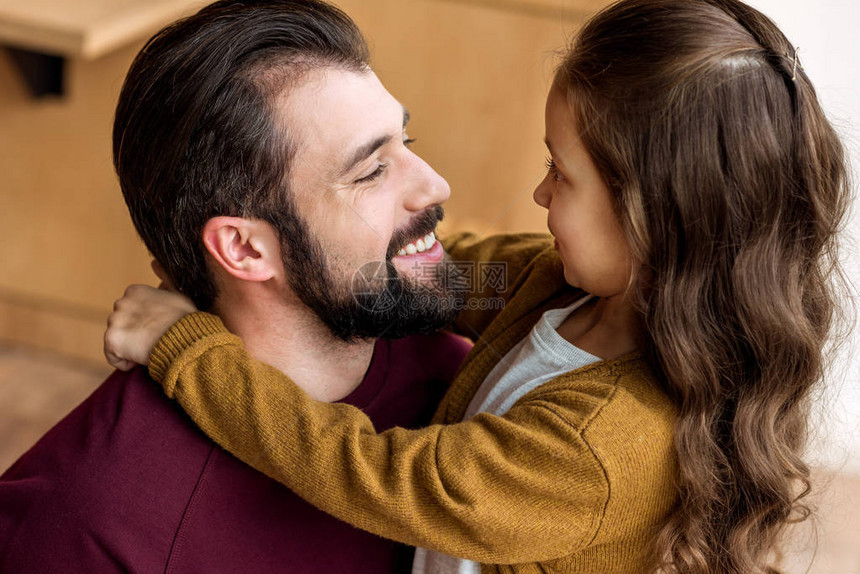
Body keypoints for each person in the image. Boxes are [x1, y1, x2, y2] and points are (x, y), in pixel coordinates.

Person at [103, 0, 851, 572]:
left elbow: (382, 477)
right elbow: (436, 265)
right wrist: (273, 262)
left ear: (655, 219)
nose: (538, 192)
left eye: (561, 172)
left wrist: (187, 349)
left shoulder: (603, 446)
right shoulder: (561, 286)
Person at [0, 1, 475, 571]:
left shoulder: (471, 379)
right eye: (371, 170)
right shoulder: (85, 524)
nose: (436, 185)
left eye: (408, 142)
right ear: (245, 249)